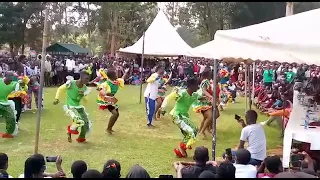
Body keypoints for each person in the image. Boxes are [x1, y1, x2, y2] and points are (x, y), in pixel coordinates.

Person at [160, 78, 201, 158]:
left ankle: (182, 151)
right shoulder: (182, 93)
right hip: (176, 115)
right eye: (196, 85)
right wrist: (163, 108)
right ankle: (182, 148)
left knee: (192, 131)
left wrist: (210, 100)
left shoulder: (194, 95)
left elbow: (200, 98)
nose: (198, 87)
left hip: (183, 116)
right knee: (192, 131)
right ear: (191, 86)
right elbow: (168, 98)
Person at [53, 68, 92, 143]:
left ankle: (81, 137)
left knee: (86, 123)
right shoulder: (71, 83)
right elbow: (60, 89)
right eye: (86, 78)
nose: (87, 80)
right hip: (69, 106)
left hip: (78, 106)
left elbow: (85, 101)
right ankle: (69, 132)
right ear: (81, 77)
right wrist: (56, 98)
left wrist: (82, 95)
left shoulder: (85, 88)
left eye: (88, 79)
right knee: (78, 120)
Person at [96, 68, 129, 134]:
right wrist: (104, 92)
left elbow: (122, 78)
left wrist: (125, 72)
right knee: (115, 113)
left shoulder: (117, 81)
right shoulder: (106, 83)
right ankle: (108, 129)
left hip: (111, 98)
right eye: (115, 74)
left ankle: (110, 128)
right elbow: (99, 89)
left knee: (117, 114)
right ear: (111, 76)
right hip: (106, 99)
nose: (117, 74)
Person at [0, 72, 28, 138]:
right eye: (8, 80)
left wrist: (23, 84)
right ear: (4, 77)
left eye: (10, 80)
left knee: (11, 118)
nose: (9, 81)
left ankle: (8, 133)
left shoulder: (14, 84)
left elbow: (22, 89)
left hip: (4, 103)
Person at [192, 71, 214, 139]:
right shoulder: (206, 81)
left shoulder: (206, 81)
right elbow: (204, 90)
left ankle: (200, 131)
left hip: (204, 101)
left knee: (206, 117)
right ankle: (202, 132)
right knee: (210, 116)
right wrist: (210, 96)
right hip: (202, 101)